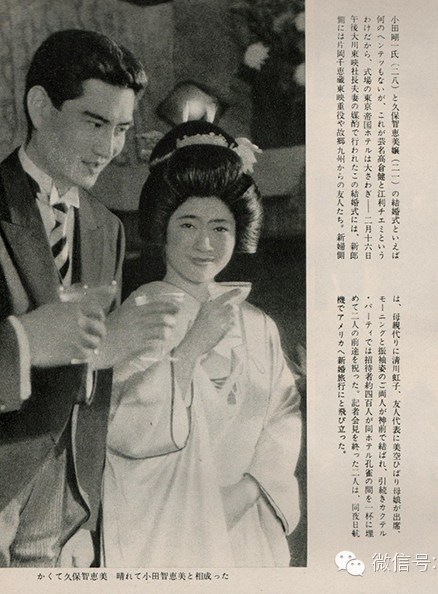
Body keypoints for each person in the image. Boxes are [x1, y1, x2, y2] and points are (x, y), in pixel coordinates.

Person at [0, 29, 175, 567]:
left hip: (64, 501)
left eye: (122, 129)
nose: (109, 148)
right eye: (94, 122)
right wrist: (31, 340)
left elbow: (93, 381)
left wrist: (88, 511)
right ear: (41, 107)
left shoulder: (108, 228)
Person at [103, 121, 302, 567]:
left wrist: (248, 490)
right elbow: (125, 430)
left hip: (247, 520)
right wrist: (189, 350)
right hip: (166, 525)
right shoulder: (141, 311)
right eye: (188, 224)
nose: (205, 244)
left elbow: (283, 419)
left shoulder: (259, 325)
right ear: (163, 227)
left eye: (220, 227)